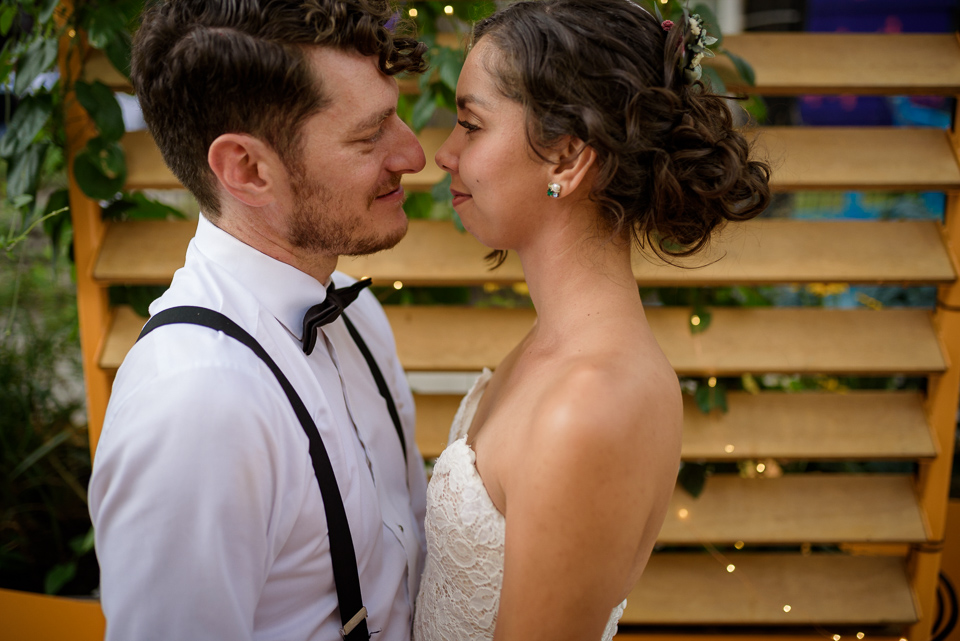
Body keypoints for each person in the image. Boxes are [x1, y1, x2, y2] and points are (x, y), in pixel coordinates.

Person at [413, 1, 771, 640]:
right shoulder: (551, 346)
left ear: (567, 159)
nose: (442, 154)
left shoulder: (591, 403)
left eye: (470, 124)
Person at [87, 1, 431, 640]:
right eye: (368, 134)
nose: (413, 154)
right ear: (245, 169)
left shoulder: (359, 311)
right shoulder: (195, 404)